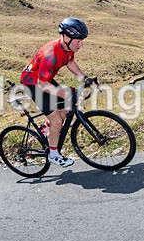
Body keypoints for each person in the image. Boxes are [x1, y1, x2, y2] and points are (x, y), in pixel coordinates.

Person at [20, 17, 94, 167]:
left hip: (45, 79)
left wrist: (84, 78)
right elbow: (42, 84)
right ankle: (53, 154)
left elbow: (70, 62)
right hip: (34, 83)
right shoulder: (51, 54)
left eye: (81, 41)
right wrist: (63, 94)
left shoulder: (67, 48)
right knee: (57, 119)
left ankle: (47, 128)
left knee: (67, 107)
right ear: (66, 37)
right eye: (78, 41)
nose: (81, 44)